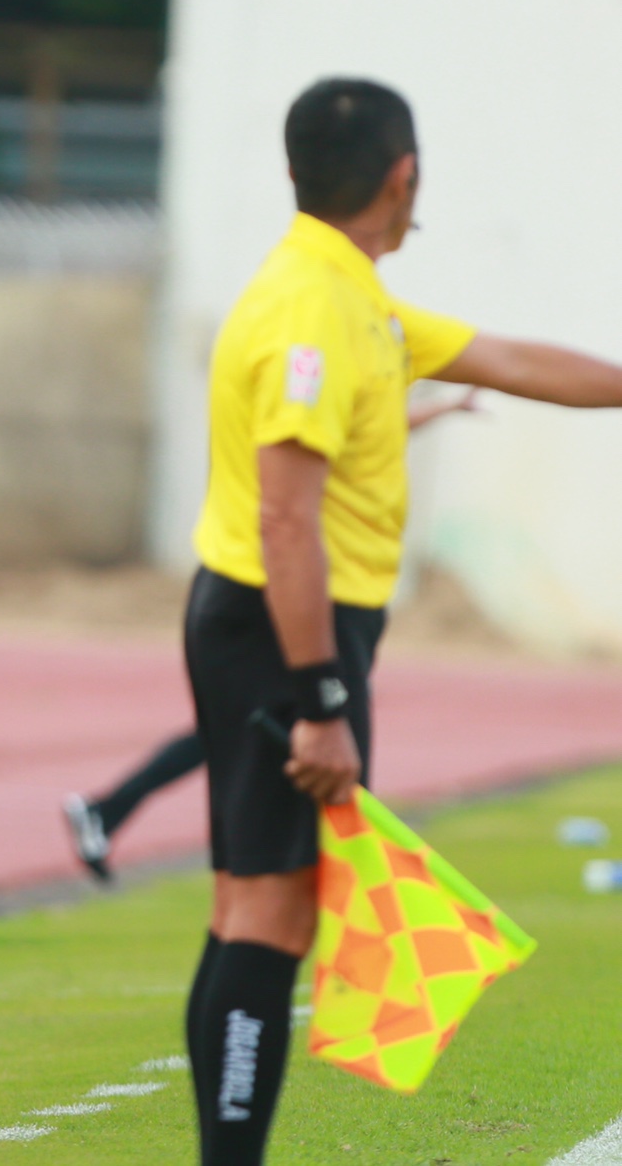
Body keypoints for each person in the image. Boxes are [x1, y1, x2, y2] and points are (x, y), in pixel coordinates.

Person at [181, 76, 622, 1166]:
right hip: (284, 630)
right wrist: (323, 703)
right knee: (269, 917)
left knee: (253, 902)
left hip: (280, 627)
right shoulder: (311, 309)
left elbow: (510, 360)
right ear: (404, 175)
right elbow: (288, 521)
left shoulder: (350, 291)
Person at [61, 390, 481, 883]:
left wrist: (443, 409)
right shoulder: (292, 438)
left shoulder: (312, 439)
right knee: (239, 732)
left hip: (270, 598)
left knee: (225, 733)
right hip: (272, 600)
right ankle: (113, 811)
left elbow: (378, 435)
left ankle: (110, 810)